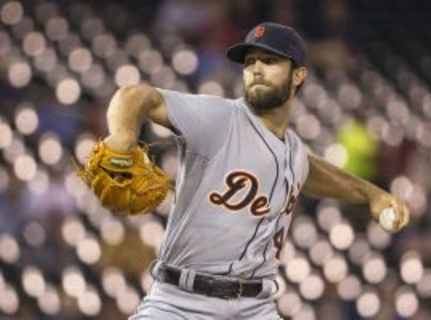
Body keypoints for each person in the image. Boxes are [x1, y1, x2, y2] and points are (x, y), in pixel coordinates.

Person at [103, 22, 410, 320]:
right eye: (250, 62)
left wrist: (372, 194)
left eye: (270, 60)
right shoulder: (219, 118)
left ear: (299, 76)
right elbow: (135, 96)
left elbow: (311, 169)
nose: (256, 69)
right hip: (181, 303)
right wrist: (122, 136)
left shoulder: (294, 152)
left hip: (255, 307)